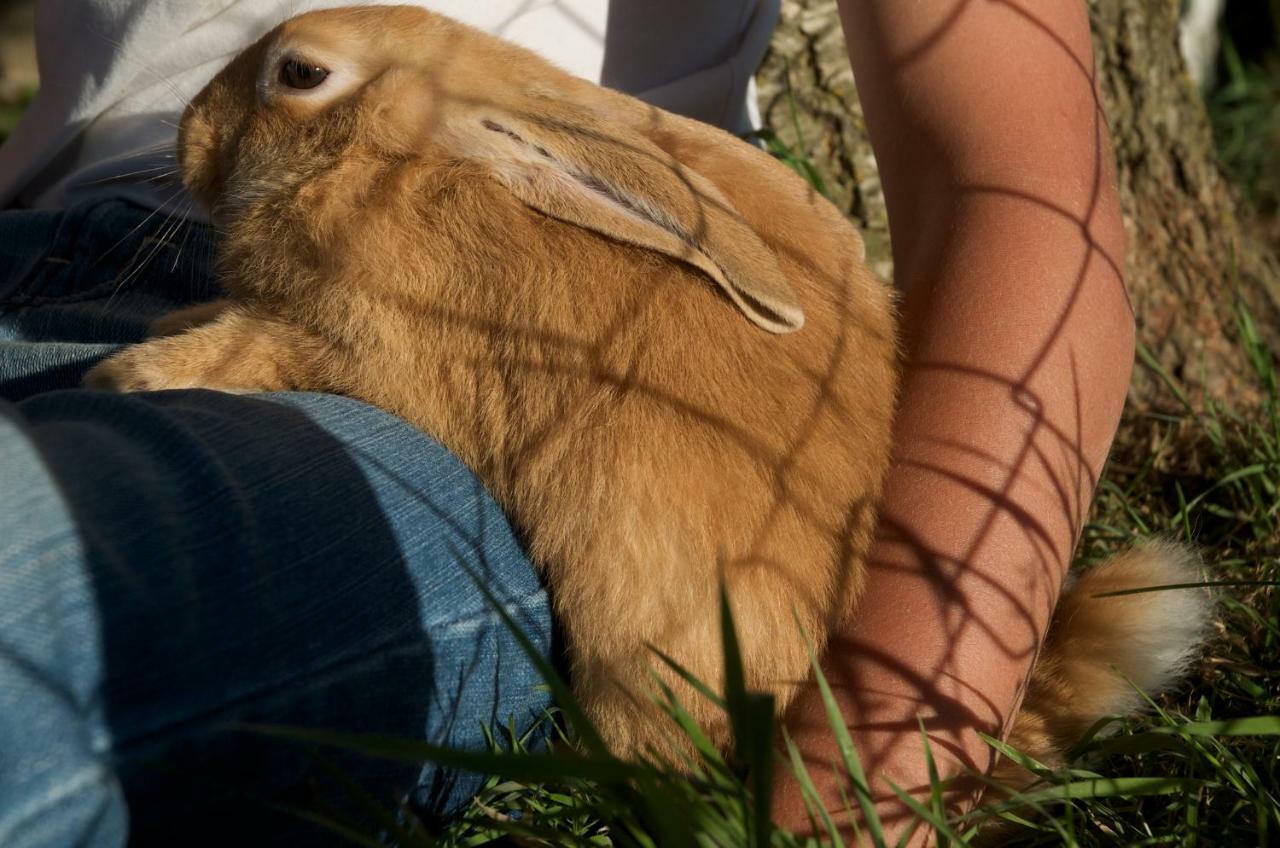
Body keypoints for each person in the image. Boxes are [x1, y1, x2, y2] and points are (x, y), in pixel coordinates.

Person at [0, 1, 1132, 845]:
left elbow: (1018, 179)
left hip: (401, 407)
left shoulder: (465, 177)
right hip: (48, 241)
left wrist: (885, 754)